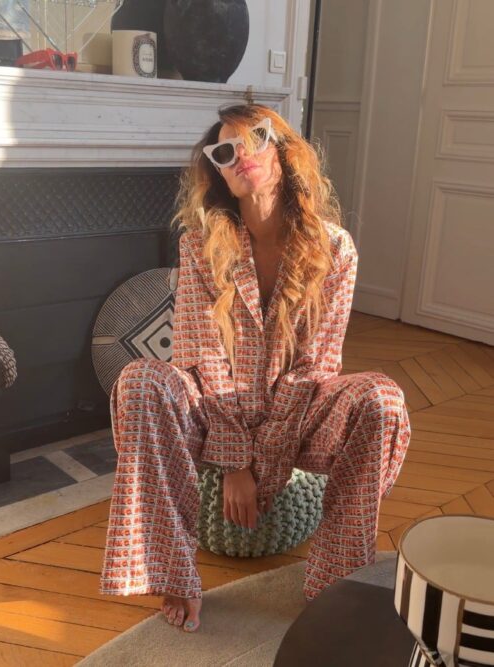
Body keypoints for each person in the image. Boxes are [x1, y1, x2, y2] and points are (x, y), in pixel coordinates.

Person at [99, 103, 411, 634]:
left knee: (383, 399)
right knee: (140, 380)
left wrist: (266, 464)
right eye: (225, 151)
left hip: (300, 413)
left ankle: (335, 577)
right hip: (212, 411)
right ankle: (174, 574)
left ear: (283, 150)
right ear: (219, 175)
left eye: (256, 138)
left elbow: (316, 365)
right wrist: (234, 462)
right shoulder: (199, 247)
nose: (242, 155)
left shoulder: (335, 248)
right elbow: (199, 354)